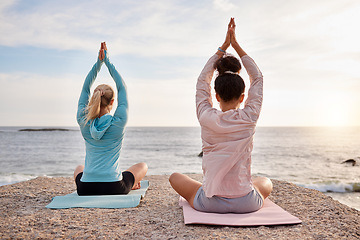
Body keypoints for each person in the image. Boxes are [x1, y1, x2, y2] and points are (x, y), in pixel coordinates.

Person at [169, 18, 273, 213]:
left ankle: (208, 190)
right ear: (243, 97)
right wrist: (236, 46)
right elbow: (257, 78)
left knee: (174, 177)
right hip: (246, 203)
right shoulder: (249, 117)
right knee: (265, 182)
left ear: (215, 96)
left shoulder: (206, 117)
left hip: (209, 202)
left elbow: (202, 81)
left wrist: (222, 48)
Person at [74, 42, 147, 196]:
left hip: (85, 189)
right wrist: (107, 62)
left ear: (93, 99)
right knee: (143, 166)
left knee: (79, 169)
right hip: (114, 187)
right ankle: (131, 184)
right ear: (113, 102)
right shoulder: (118, 121)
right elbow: (122, 87)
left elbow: (85, 89)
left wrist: (98, 64)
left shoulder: (83, 120)